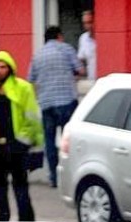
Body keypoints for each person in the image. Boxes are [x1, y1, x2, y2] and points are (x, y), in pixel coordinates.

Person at [0, 50, 44, 222]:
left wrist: (21, 142)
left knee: (21, 188)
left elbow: (33, 119)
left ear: (10, 68)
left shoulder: (23, 88)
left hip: (16, 147)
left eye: (3, 67)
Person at [29, 25, 82, 188]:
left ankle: (53, 177)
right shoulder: (66, 49)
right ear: (59, 36)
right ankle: (71, 176)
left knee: (50, 142)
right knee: (69, 142)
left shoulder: (37, 55)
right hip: (66, 101)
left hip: (47, 104)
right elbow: (80, 70)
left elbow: (31, 79)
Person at [77, 9, 96, 82]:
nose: (88, 26)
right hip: (91, 80)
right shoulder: (83, 38)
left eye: (90, 22)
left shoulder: (105, 36)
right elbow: (80, 60)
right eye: (85, 23)